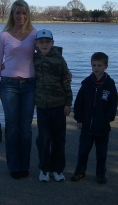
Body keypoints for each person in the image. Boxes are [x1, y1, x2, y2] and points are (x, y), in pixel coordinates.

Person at [0, 0, 37, 179]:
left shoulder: (35, 34)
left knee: (26, 127)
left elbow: (49, 54)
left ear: (28, 15)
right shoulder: (3, 36)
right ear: (12, 14)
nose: (21, 16)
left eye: (24, 13)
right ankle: (13, 166)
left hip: (29, 85)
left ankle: (24, 164)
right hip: (9, 85)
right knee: (12, 127)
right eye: (18, 13)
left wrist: (64, 72)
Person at [70, 52, 118, 184]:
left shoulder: (109, 85)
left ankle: (100, 174)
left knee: (101, 153)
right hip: (86, 126)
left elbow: (113, 104)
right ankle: (80, 171)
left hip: (102, 127)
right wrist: (79, 119)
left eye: (99, 65)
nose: (96, 68)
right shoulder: (86, 84)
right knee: (83, 151)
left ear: (105, 66)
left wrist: (107, 119)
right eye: (94, 65)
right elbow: (79, 103)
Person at [33, 29, 72, 182]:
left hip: (59, 104)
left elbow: (66, 81)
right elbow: (16, 64)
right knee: (43, 138)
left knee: (59, 138)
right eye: (41, 42)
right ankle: (44, 168)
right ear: (36, 44)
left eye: (47, 42)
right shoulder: (32, 59)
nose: (44, 45)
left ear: (52, 43)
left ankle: (57, 169)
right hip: (42, 106)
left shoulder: (59, 60)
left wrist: (68, 103)